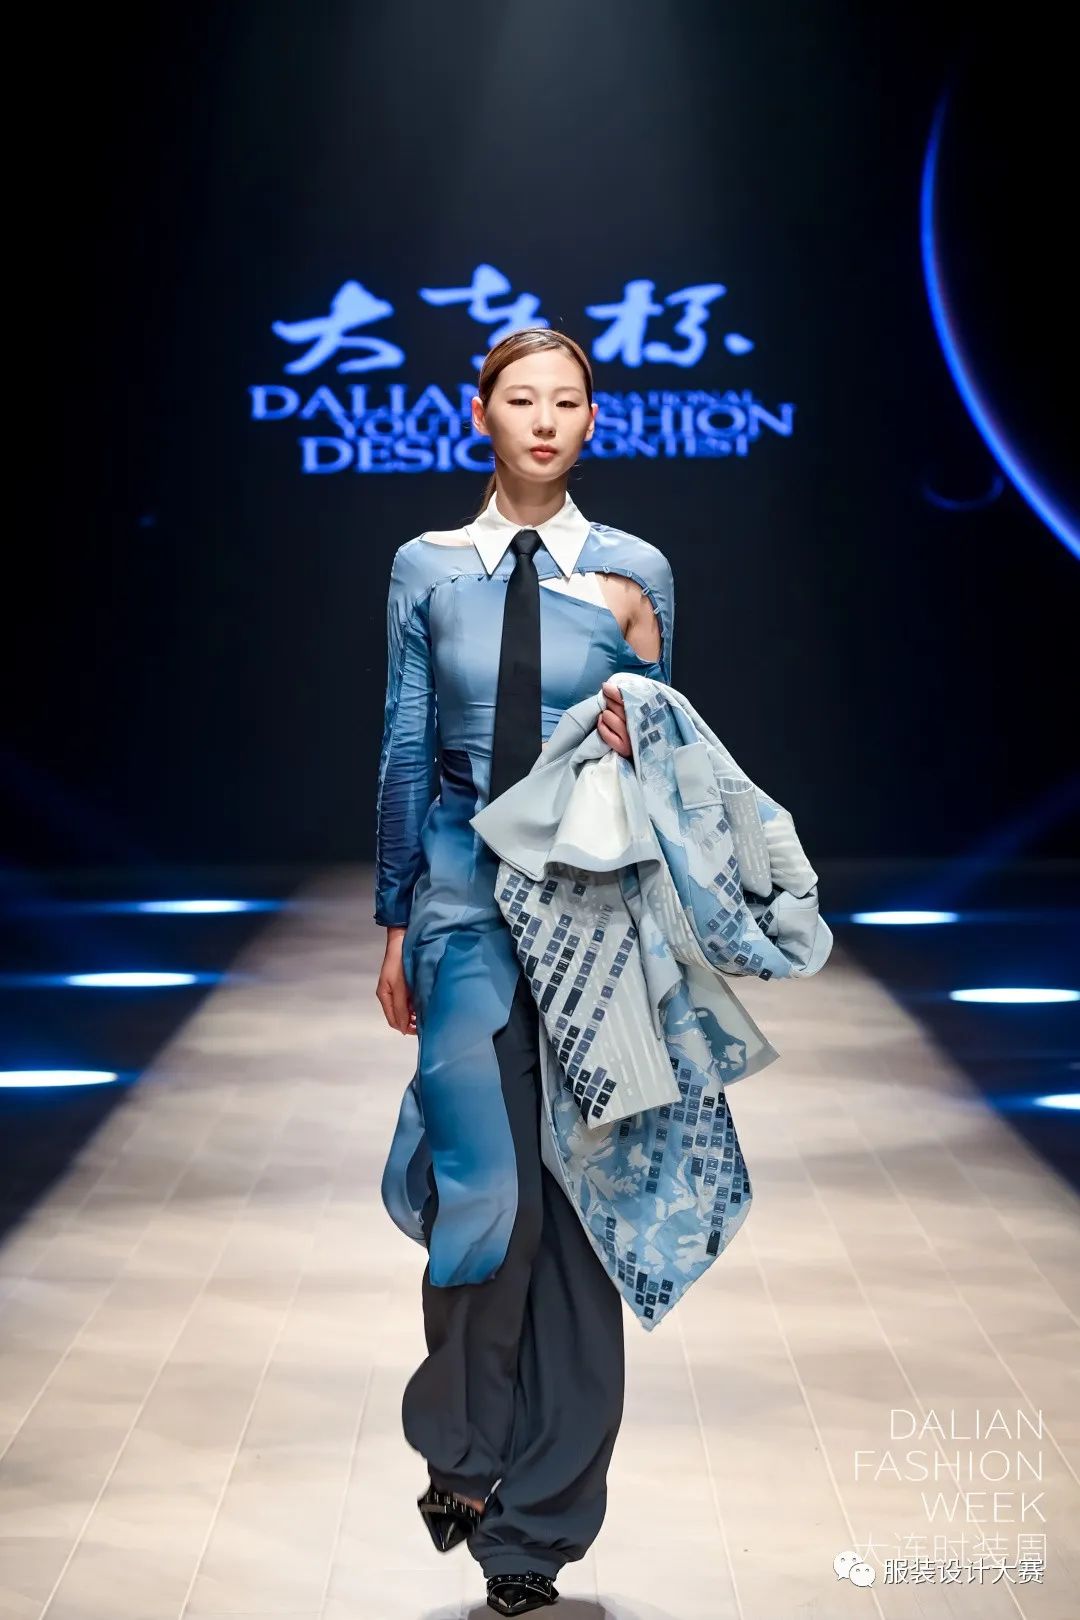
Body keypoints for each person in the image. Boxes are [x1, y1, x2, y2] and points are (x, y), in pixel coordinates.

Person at [374, 326, 674, 1615]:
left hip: (592, 915)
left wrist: (635, 715)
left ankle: (533, 1530)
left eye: (568, 401)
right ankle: (461, 1451)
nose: (544, 419)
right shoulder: (427, 568)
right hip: (460, 905)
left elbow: (671, 764)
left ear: (592, 421)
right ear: (482, 415)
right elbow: (405, 745)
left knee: (579, 1216)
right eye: (521, 399)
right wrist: (395, 917)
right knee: (482, 1193)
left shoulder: (633, 572)